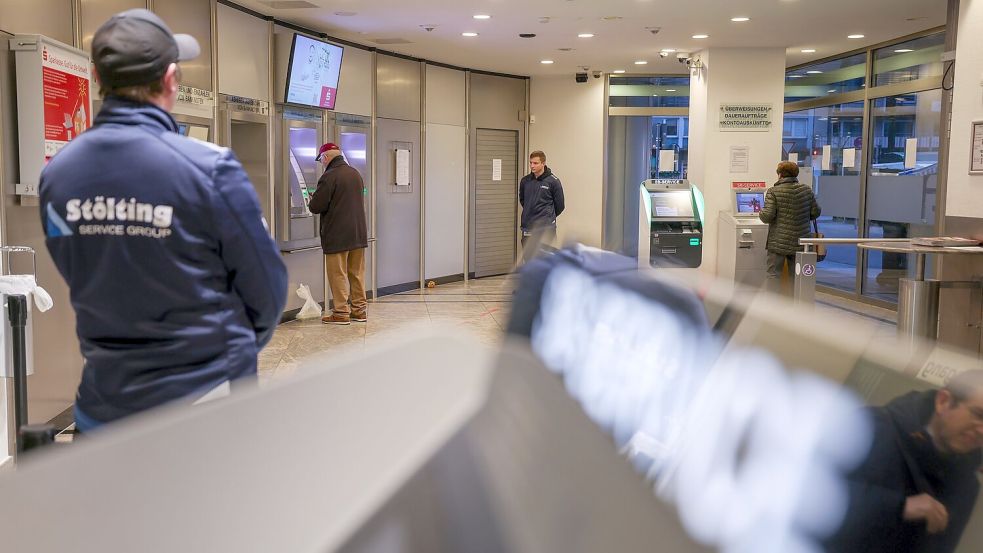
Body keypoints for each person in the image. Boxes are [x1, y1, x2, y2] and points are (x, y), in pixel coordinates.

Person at [38, 9, 287, 432]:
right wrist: (228, 351)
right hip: (205, 401)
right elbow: (267, 290)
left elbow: (77, 267)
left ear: (97, 76)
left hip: (104, 404)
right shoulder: (209, 169)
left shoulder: (59, 174)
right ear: (170, 79)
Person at [827, 370, 983, 553]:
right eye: (978, 415)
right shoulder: (871, 426)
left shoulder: (966, 485)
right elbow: (808, 491)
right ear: (943, 402)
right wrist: (900, 507)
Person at [308, 143, 368, 325]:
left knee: (338, 274)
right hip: (357, 233)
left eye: (321, 160)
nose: (322, 164)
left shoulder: (329, 176)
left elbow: (316, 206)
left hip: (337, 234)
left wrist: (312, 198)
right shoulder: (354, 173)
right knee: (356, 273)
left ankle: (341, 312)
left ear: (325, 157)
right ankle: (359, 310)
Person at [758, 161, 820, 293]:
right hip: (800, 241)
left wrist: (759, 212)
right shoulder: (806, 190)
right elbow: (815, 212)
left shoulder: (773, 191)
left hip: (778, 242)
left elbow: (767, 216)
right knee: (797, 275)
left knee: (774, 274)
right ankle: (795, 306)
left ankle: (773, 307)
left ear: (780, 175)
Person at [519, 150, 565, 260]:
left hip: (546, 228)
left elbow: (560, 205)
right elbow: (523, 201)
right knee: (529, 259)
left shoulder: (553, 181)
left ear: (543, 163)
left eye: (535, 163)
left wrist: (547, 216)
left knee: (545, 260)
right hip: (528, 226)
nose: (532, 166)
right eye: (531, 163)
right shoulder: (525, 181)